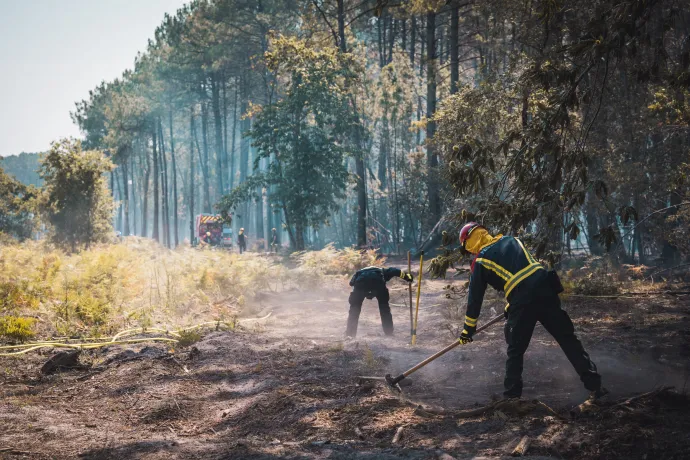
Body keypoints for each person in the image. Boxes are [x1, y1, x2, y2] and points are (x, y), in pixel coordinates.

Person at [457, 222, 607, 400]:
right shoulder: (512, 240)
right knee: (567, 339)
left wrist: (468, 329)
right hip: (545, 287)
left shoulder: (481, 259)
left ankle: (511, 399)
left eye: (467, 248)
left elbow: (475, 298)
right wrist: (511, 305)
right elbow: (524, 272)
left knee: (515, 349)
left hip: (523, 299)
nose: (470, 252)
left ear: (470, 242)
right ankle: (596, 387)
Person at [345, 266, 413, 338]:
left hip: (360, 285)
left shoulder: (358, 273)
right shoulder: (383, 271)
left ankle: (350, 335)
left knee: (354, 309)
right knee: (384, 308)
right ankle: (389, 332)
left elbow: (351, 283)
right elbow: (395, 271)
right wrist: (407, 277)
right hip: (378, 284)